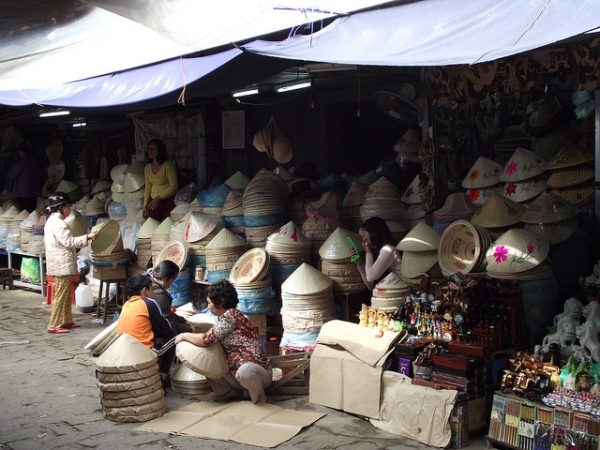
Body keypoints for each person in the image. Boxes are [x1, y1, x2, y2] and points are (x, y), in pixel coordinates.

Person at [175, 279, 271, 404]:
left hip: (258, 374)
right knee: (205, 362)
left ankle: (259, 397)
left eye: (209, 302)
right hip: (236, 374)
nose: (208, 306)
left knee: (245, 370)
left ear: (220, 302)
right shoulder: (224, 318)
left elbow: (206, 339)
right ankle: (229, 392)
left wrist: (183, 336)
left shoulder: (231, 316)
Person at [44, 192, 98, 334]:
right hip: (61, 263)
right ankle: (54, 324)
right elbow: (68, 242)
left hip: (58, 262)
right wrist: (88, 237)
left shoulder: (51, 221)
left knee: (66, 294)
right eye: (67, 206)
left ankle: (66, 320)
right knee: (61, 295)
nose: (69, 209)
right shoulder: (60, 224)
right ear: (60, 207)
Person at [117, 274, 176, 383]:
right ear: (144, 290)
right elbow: (165, 328)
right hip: (143, 353)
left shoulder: (127, 304)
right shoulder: (149, 303)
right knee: (173, 336)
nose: (153, 292)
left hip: (123, 352)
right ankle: (163, 375)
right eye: (152, 288)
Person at [355, 216, 402, 290]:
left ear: (373, 233)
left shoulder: (388, 250)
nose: (363, 238)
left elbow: (370, 277)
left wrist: (368, 253)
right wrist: (360, 264)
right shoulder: (380, 251)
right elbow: (371, 286)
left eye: (364, 234)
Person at [150, 260, 192, 334]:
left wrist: (184, 321)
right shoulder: (160, 296)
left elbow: (166, 312)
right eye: (172, 280)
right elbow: (171, 324)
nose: (172, 284)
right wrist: (189, 330)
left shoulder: (150, 282)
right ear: (165, 279)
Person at [143, 138, 179, 221]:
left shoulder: (167, 166)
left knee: (168, 223)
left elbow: (174, 186)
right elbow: (148, 187)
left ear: (160, 150)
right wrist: (145, 205)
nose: (150, 151)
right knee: (152, 222)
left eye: (153, 148)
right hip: (154, 200)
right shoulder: (147, 167)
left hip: (168, 199)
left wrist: (159, 197)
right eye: (149, 148)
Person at [6, 143, 42, 212]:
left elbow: (11, 175)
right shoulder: (35, 163)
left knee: (23, 213)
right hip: (34, 193)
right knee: (32, 213)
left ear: (22, 152)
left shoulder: (21, 163)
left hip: (22, 194)